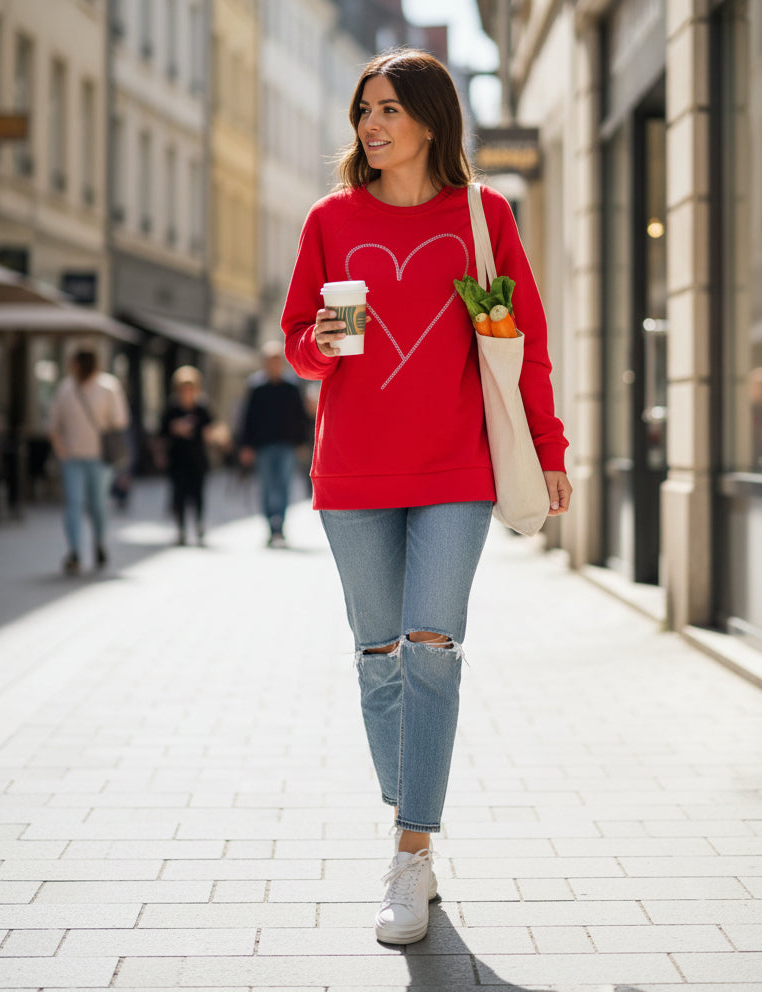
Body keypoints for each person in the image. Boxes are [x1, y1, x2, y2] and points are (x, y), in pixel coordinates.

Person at [281, 48, 572, 945]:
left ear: (432, 120)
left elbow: (519, 337)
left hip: (456, 470)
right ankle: (412, 804)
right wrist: (323, 343)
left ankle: (411, 850)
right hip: (354, 474)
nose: (370, 126)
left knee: (432, 649)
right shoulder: (331, 219)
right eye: (364, 110)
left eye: (389, 111)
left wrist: (550, 447)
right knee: (378, 658)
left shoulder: (484, 217)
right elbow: (295, 340)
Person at [48, 347, 130, 574]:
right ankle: (74, 550)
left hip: (100, 458)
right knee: (74, 505)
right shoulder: (66, 388)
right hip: (73, 458)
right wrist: (61, 450)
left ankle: (99, 543)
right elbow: (53, 425)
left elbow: (120, 420)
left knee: (97, 505)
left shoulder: (108, 386)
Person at [237, 342, 308, 547]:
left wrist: (301, 443)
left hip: (287, 445)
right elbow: (247, 418)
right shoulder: (256, 387)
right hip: (263, 445)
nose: (273, 364)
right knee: (267, 487)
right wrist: (245, 446)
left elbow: (300, 417)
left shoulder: (292, 387)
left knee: (284, 486)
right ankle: (271, 527)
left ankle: (281, 527)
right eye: (269, 361)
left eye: (276, 360)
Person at [159, 366, 214, 545]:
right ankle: (181, 530)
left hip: (197, 459)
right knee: (179, 495)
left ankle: (198, 525)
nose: (187, 392)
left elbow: (212, 429)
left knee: (197, 495)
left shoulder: (202, 408)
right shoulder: (172, 409)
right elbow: (161, 433)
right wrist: (175, 428)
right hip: (177, 459)